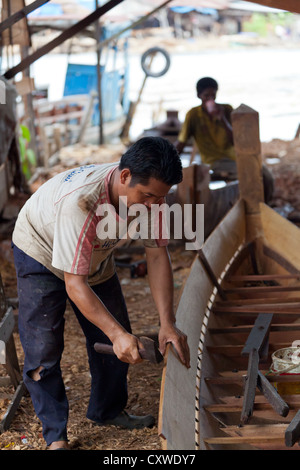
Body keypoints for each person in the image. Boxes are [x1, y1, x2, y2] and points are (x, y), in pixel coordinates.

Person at [12, 136, 190, 450]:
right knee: (44, 347)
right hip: (40, 248)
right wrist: (116, 334)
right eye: (147, 196)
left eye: (159, 199)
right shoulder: (81, 203)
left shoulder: (152, 198)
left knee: (118, 331)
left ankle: (106, 411)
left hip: (93, 253)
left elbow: (157, 255)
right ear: (124, 177)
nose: (153, 206)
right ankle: (55, 436)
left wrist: (167, 323)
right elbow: (74, 284)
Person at [176, 76, 274, 202]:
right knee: (252, 173)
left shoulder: (226, 110)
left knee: (266, 174)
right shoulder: (193, 115)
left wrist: (223, 119)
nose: (210, 99)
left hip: (235, 158)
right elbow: (182, 143)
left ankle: (265, 205)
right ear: (199, 96)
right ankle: (251, 205)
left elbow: (237, 141)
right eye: (207, 96)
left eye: (213, 95)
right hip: (214, 162)